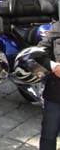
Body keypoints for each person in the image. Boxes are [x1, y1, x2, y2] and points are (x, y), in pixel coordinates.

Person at [37, 19, 60, 150]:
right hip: (55, 94)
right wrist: (54, 67)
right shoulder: (57, 27)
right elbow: (39, 54)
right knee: (48, 136)